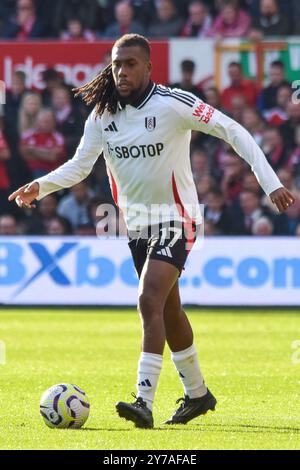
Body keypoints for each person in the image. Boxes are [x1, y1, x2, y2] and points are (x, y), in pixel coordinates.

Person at [9, 34, 295, 429]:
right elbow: (79, 166)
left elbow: (234, 131)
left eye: (129, 64)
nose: (121, 72)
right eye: (115, 64)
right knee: (168, 309)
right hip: (138, 226)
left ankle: (142, 399)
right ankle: (197, 394)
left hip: (178, 218)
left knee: (148, 298)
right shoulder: (102, 117)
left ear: (148, 67)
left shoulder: (173, 105)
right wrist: (41, 185)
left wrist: (271, 183)